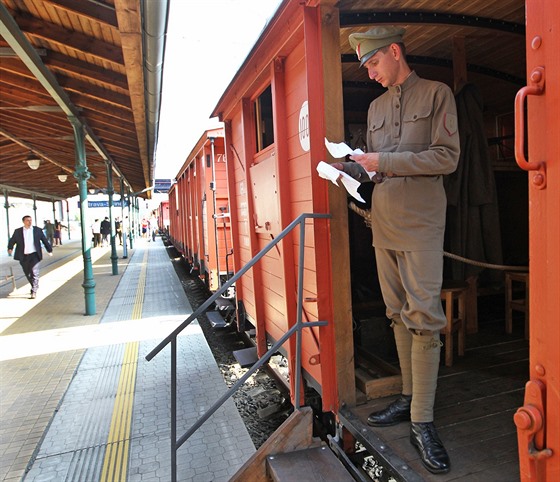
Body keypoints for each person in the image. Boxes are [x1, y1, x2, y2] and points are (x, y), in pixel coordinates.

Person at [333, 26, 460, 474]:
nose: (370, 74)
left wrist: (381, 161)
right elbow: (382, 169)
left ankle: (423, 421)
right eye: (365, 67)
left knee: (424, 316)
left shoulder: (437, 93)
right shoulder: (375, 107)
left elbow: (446, 158)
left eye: (373, 64)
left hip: (423, 226)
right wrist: (353, 169)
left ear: (394, 51)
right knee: (396, 312)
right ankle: (408, 399)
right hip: (384, 224)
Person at [8, 215, 53, 299]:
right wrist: (10, 248)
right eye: (28, 220)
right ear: (24, 222)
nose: (30, 222)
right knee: (27, 273)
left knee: (34, 272)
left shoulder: (37, 230)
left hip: (34, 255)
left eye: (30, 220)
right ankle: (34, 285)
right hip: (23, 256)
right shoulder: (18, 231)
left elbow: (44, 240)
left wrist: (49, 250)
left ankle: (34, 291)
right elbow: (12, 240)